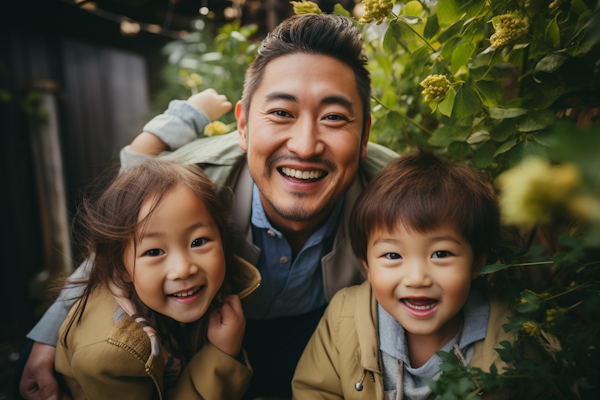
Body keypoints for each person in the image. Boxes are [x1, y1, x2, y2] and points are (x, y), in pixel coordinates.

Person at [20, 13, 398, 400]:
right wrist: (51, 333)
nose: (304, 146)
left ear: (364, 134)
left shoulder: (399, 195)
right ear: (244, 127)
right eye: (281, 113)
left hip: (314, 340)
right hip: (199, 338)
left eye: (334, 117)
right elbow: (120, 243)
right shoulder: (190, 182)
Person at [292, 151, 514, 400]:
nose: (417, 279)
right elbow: (314, 391)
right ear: (367, 267)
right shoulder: (344, 317)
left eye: (441, 254)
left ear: (478, 261)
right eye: (393, 256)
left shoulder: (508, 333)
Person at [55, 159, 261, 399]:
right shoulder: (110, 354)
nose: (183, 269)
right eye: (153, 252)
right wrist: (220, 353)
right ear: (122, 268)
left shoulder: (215, 292)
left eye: (198, 242)